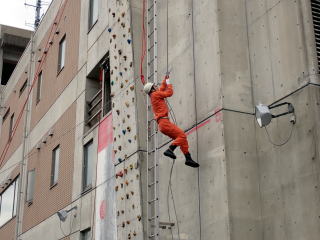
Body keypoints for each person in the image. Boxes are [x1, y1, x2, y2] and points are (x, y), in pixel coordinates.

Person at [143, 75, 200, 168]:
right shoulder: (155, 94)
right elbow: (170, 93)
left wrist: (165, 80)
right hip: (164, 122)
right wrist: (169, 83)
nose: (156, 86)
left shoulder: (154, 95)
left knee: (182, 138)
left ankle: (188, 158)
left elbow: (161, 88)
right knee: (182, 135)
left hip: (162, 124)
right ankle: (170, 149)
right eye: (154, 86)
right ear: (152, 89)